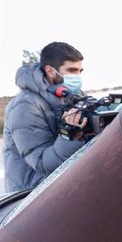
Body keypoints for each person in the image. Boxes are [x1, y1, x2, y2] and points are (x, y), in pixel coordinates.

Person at [3, 42, 88, 193]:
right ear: (50, 71)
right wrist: (71, 133)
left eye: (80, 71)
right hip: (30, 196)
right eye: (72, 70)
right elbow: (42, 163)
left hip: (61, 185)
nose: (77, 77)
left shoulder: (73, 96)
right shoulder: (25, 105)